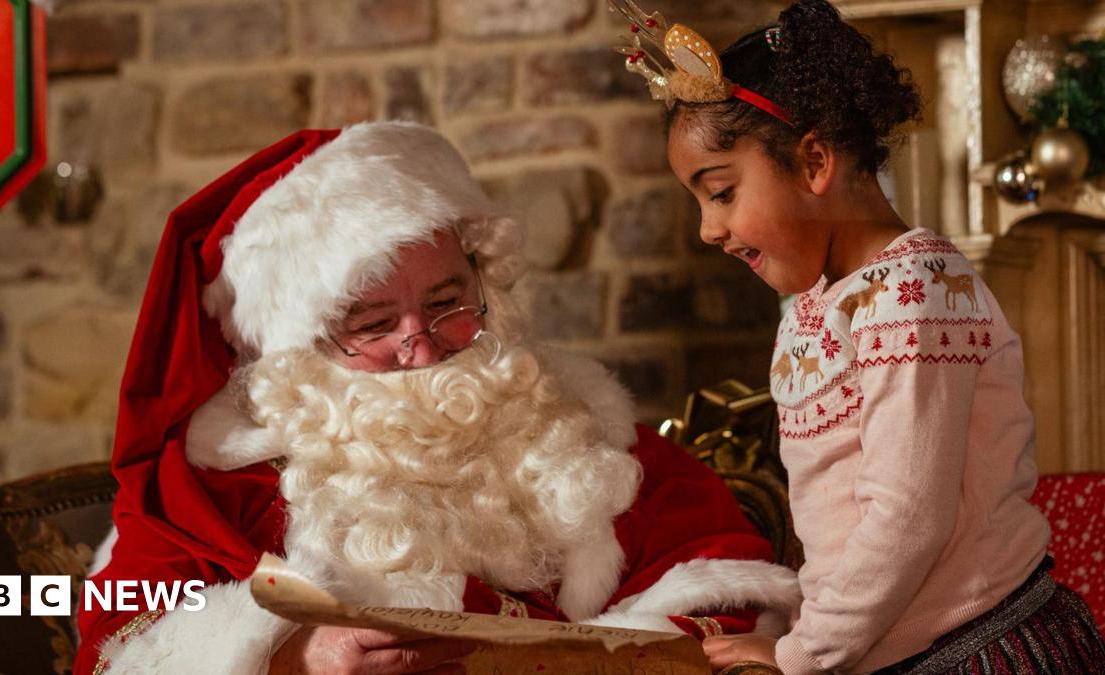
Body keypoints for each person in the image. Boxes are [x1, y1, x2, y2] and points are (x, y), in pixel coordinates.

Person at [73, 121, 802, 674]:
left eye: (449, 301)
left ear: (485, 279)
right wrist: (294, 652)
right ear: (299, 348)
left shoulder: (570, 420)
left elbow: (711, 568)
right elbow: (125, 643)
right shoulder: (219, 481)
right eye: (375, 325)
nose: (422, 345)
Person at [608, 0, 1105, 672]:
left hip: (979, 648)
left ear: (814, 161)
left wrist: (801, 654)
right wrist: (797, 629)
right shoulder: (816, 306)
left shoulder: (914, 291)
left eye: (721, 191)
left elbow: (907, 519)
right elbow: (837, 525)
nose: (707, 229)